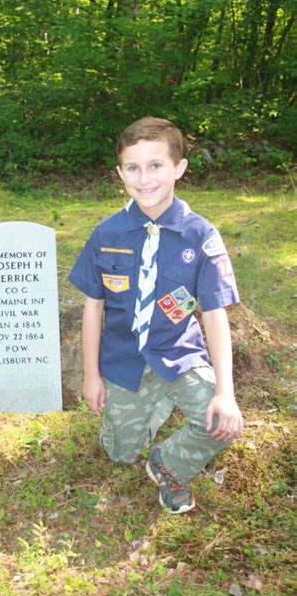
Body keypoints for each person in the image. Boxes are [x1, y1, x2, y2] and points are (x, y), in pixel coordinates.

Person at [68, 116, 243, 514]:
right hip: (123, 360)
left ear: (179, 167)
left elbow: (214, 315)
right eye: (133, 167)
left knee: (222, 423)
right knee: (119, 454)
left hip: (179, 354)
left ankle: (167, 462)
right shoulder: (107, 235)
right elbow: (93, 306)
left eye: (156, 165)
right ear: (120, 173)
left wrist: (225, 392)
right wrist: (91, 376)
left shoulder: (200, 236)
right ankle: (150, 406)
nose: (144, 178)